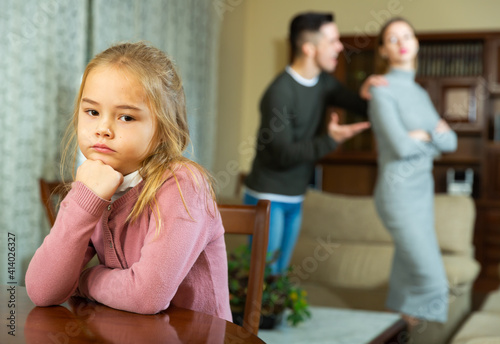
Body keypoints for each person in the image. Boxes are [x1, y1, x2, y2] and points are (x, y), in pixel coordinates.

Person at [25, 42, 232, 321]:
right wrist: (83, 200)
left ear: (163, 130)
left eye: (126, 117)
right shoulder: (94, 185)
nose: (103, 129)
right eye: (92, 112)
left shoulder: (183, 185)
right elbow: (42, 291)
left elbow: (147, 296)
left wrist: (84, 279)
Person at [244, 12, 385, 274]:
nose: (340, 47)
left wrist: (371, 91)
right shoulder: (280, 93)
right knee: (261, 280)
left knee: (279, 279)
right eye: (332, 41)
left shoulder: (325, 83)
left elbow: (360, 106)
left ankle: (273, 317)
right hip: (268, 197)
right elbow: (283, 153)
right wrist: (330, 141)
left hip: (295, 196)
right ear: (309, 48)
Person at [368, 17, 457, 325]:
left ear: (417, 42)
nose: (402, 42)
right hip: (397, 194)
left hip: (422, 194)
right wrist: (433, 136)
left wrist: (424, 136)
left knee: (405, 282)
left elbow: (452, 141)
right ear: (383, 50)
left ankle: (391, 331)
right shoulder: (381, 91)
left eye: (407, 35)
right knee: (433, 283)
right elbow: (402, 147)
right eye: (392, 39)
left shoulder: (419, 92)